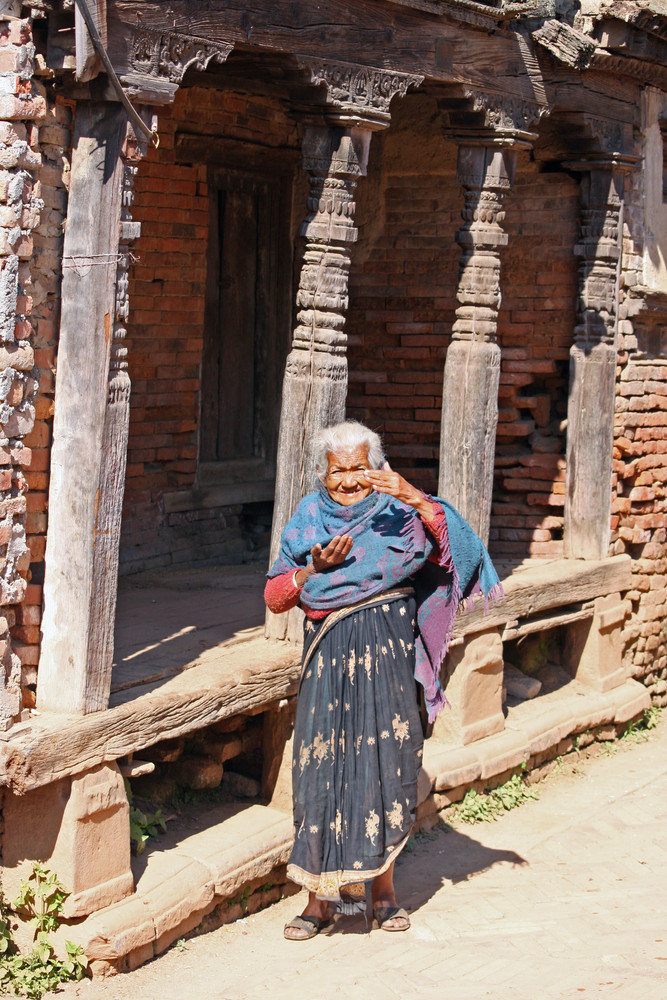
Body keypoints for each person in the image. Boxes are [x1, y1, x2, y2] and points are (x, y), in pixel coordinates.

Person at [264, 421, 501, 940]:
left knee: (386, 763)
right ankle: (318, 903)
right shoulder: (307, 517)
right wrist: (310, 571)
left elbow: (460, 550)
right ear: (323, 475)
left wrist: (415, 496)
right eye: (337, 471)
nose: (348, 480)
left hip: (388, 652)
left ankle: (385, 895)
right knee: (320, 770)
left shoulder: (400, 511)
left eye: (358, 468)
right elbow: (276, 596)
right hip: (327, 655)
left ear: (375, 466)